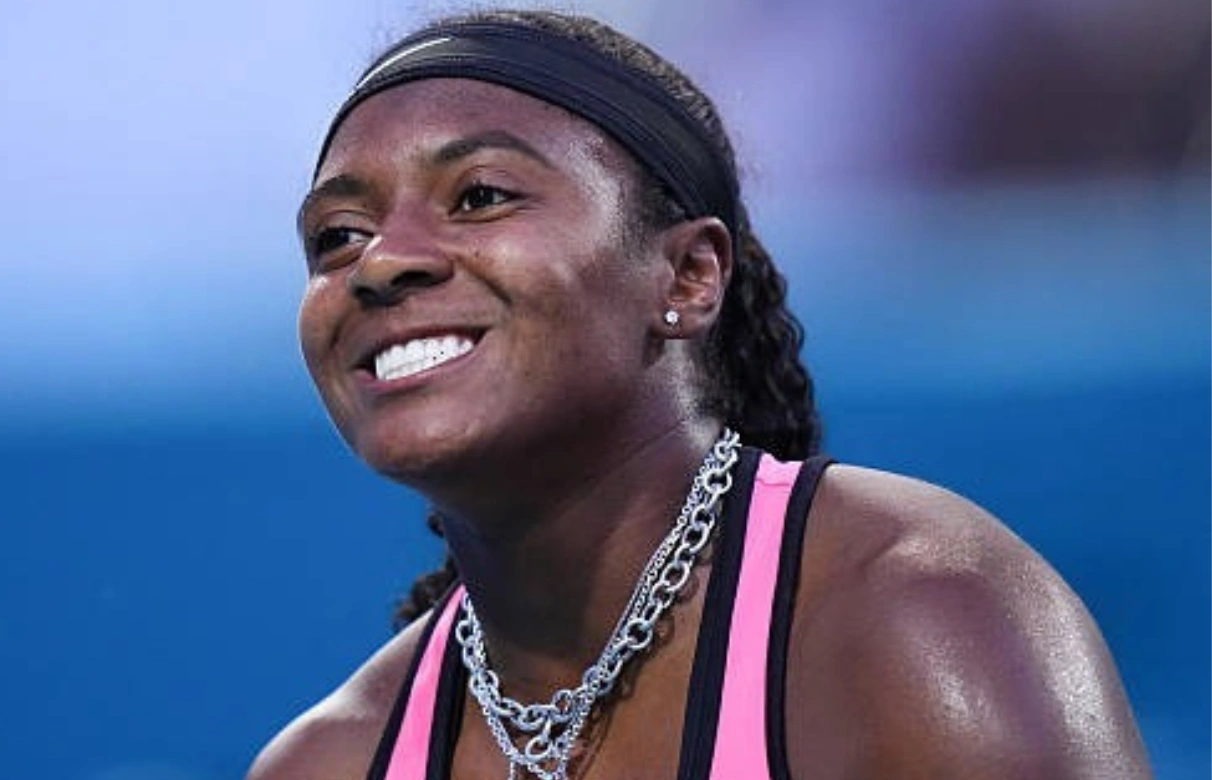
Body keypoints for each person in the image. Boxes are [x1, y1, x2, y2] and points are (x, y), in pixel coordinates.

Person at [250, 9, 1151, 780]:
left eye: (481, 195)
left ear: (687, 276)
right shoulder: (327, 761)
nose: (381, 262)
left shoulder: (916, 619)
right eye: (338, 235)